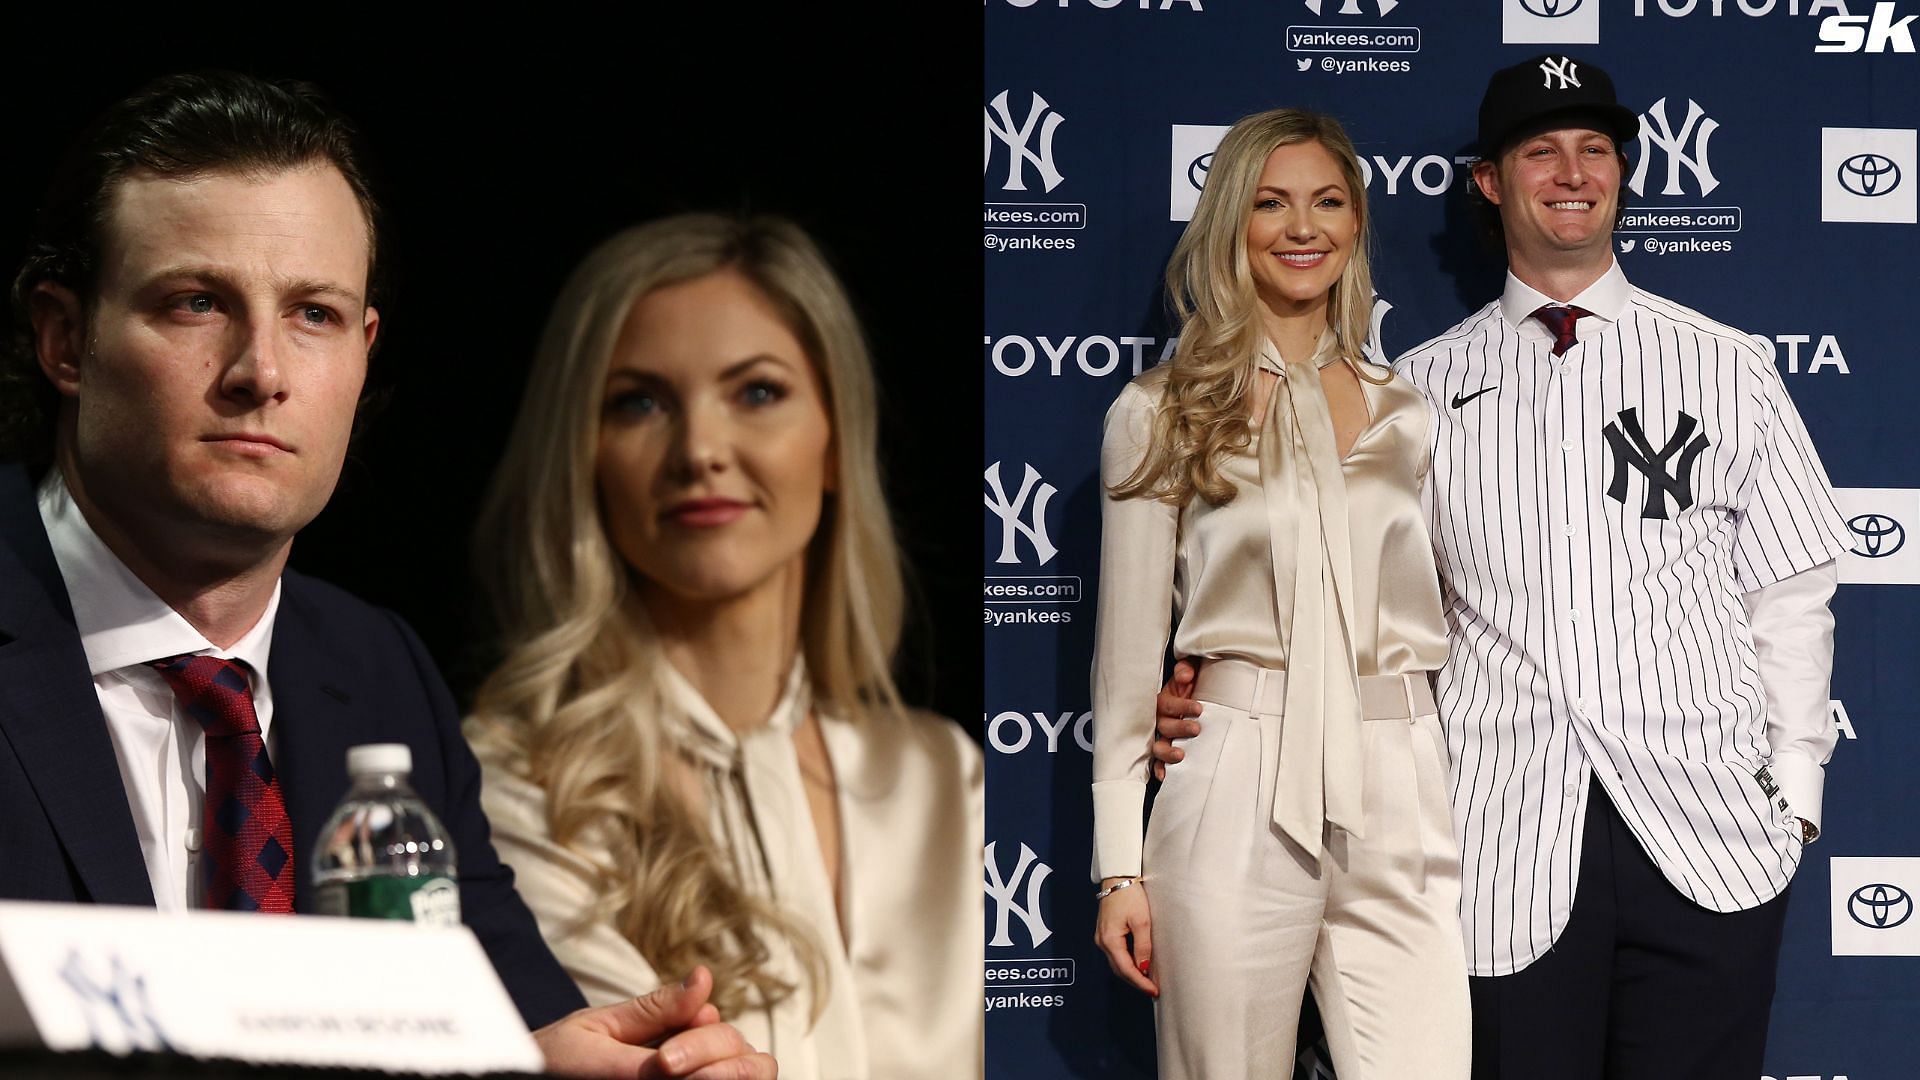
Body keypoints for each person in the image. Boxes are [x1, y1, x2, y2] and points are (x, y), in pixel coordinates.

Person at [0, 70, 774, 1080]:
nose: (262, 371)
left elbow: (510, 1023)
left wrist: (594, 1070)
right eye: (196, 303)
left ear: (363, 355)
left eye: (313, 314)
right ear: (65, 337)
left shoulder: (376, 672)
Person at [1152, 55, 1848, 1080]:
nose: (1571, 172)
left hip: (1710, 832)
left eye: (1594, 148)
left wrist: (1793, 794)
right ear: (1490, 181)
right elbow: (1354, 603)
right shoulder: (1415, 392)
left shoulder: (1727, 363)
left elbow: (1791, 594)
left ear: (1620, 172)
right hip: (1498, 838)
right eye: (1540, 150)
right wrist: (1209, 690)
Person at [462, 213, 983, 1080]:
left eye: (758, 392)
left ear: (834, 442)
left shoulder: (945, 778)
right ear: (584, 456)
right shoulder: (514, 789)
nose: (700, 450)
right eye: (639, 403)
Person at [1089, 108, 1470, 1078]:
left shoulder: (1409, 411)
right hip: (1234, 779)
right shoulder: (1158, 412)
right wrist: (1117, 867)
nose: (1303, 227)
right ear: (1232, 223)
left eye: (1327, 202)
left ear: (1354, 225)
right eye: (1272, 202)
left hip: (1399, 774)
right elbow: (1129, 661)